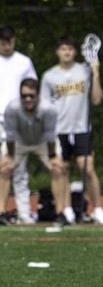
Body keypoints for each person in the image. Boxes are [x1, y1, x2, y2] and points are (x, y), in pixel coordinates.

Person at [40, 34, 103, 225]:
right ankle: (66, 210)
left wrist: (96, 72)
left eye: (70, 49)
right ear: (57, 52)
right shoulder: (49, 76)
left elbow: (96, 99)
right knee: (61, 169)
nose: (67, 52)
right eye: (63, 49)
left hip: (81, 128)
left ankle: (98, 209)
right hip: (59, 130)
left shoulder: (84, 71)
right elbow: (44, 108)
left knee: (87, 168)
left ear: (75, 52)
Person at [0, 79, 62, 224]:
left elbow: (50, 135)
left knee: (58, 169)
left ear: (38, 95)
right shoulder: (12, 108)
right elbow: (10, 135)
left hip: (42, 141)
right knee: (4, 168)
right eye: (24, 96)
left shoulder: (48, 109)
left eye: (31, 96)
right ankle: (1, 212)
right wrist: (10, 156)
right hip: (19, 142)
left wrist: (52, 157)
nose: (28, 99)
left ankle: (61, 213)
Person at [0, 26, 38, 221]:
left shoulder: (24, 62)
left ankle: (24, 214)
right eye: (2, 42)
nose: (6, 45)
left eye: (9, 41)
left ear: (14, 40)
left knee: (18, 170)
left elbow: (32, 90)